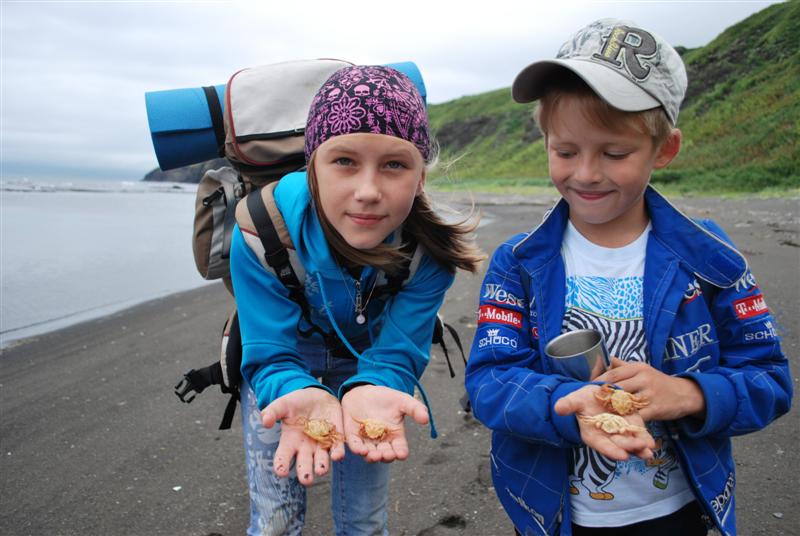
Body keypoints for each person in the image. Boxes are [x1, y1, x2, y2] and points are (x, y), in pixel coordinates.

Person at [464, 19, 792, 536]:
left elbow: (769, 380)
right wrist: (565, 406)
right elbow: (488, 382)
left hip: (679, 509)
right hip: (554, 510)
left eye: (614, 153)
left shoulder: (711, 258)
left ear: (664, 150)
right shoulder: (519, 262)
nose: (587, 173)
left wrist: (689, 394)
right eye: (565, 151)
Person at [229, 64, 483, 536]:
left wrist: (379, 385)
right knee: (275, 522)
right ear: (313, 169)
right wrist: (291, 390)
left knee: (364, 522)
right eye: (344, 161)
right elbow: (267, 352)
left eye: (394, 164)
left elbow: (397, 351)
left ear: (421, 177)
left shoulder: (430, 253)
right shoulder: (259, 230)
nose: (368, 192)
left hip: (369, 366)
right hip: (281, 367)